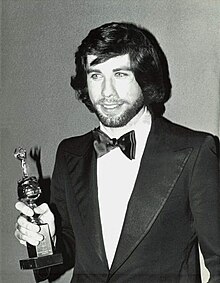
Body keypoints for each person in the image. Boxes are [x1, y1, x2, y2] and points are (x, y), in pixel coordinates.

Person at [15, 22, 220, 283]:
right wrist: (45, 238)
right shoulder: (69, 153)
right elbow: (61, 257)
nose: (106, 92)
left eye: (120, 74)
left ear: (144, 78)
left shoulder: (195, 152)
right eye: (96, 75)